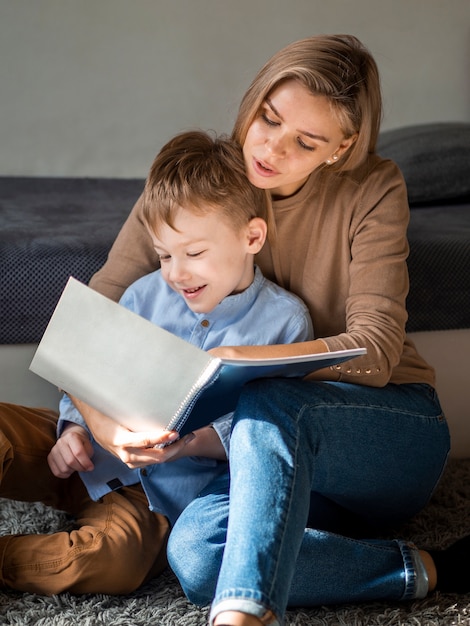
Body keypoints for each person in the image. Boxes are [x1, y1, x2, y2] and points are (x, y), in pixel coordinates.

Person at [79, 35, 470, 626]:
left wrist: (249, 359)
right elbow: (92, 319)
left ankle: (244, 618)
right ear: (255, 98)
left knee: (270, 398)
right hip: (266, 458)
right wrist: (105, 426)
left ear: (340, 149)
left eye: (304, 142)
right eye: (268, 117)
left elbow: (378, 349)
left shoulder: (374, 190)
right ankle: (424, 568)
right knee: (197, 552)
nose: (269, 147)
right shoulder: (200, 179)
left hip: (382, 434)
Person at [0, 130, 313, 595]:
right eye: (164, 254)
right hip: (87, 454)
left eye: (194, 253)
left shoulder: (284, 325)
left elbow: (269, 439)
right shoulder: (145, 294)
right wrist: (73, 431)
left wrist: (187, 445)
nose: (176, 272)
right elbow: (89, 372)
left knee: (109, 561)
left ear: (252, 236)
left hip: (156, 502)